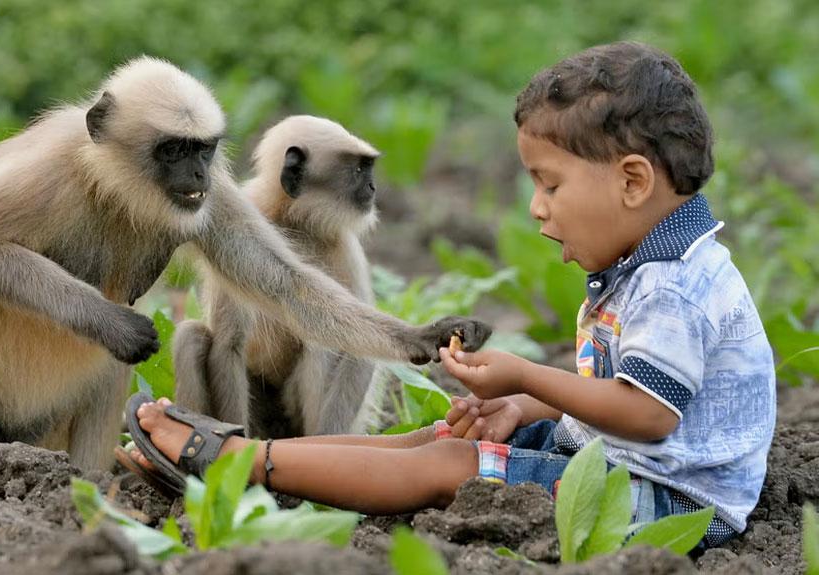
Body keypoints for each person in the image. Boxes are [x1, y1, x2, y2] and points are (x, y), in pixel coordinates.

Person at [119, 41, 775, 548]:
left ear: (633, 182)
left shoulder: (677, 285)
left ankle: (238, 463)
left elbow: (647, 413)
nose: (538, 210)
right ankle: (242, 454)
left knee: (447, 464)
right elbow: (630, 400)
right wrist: (522, 405)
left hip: (665, 502)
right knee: (433, 435)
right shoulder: (649, 266)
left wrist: (529, 378)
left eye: (550, 185)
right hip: (618, 463)